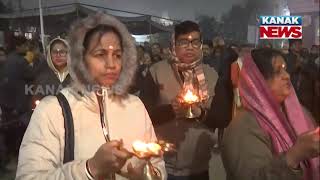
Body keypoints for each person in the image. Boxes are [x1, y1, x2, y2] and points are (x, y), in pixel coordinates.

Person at [16, 13, 166, 180]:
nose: (112, 64)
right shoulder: (52, 111)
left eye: (117, 55)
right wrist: (91, 169)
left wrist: (147, 174)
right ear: (80, 59)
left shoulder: (135, 105)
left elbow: (157, 164)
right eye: (100, 54)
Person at [222, 48, 320, 180]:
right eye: (278, 71)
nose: (287, 76)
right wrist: (295, 155)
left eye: (285, 69)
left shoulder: (300, 114)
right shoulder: (243, 125)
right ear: (258, 80)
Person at [140, 20, 218, 180]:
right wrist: (171, 110)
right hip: (166, 166)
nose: (190, 47)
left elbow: (220, 118)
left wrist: (200, 113)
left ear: (201, 45)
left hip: (200, 165)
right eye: (183, 42)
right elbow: (143, 115)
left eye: (195, 42)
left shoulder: (211, 75)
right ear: (173, 45)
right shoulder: (157, 72)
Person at [31, 37, 72, 103]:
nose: (58, 55)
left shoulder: (77, 77)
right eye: (55, 52)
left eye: (62, 52)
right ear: (49, 55)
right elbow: (36, 103)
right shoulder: (42, 79)